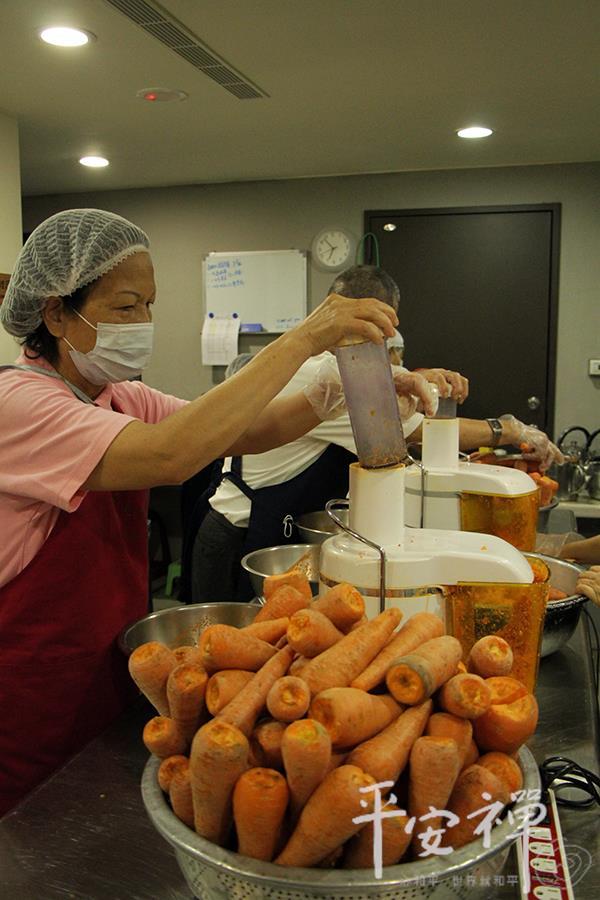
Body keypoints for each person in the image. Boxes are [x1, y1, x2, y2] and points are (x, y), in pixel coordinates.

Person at [0, 209, 404, 814]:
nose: (143, 323)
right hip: (34, 682)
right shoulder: (18, 403)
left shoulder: (119, 396)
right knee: (34, 834)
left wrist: (334, 391)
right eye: (125, 306)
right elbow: (172, 453)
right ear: (56, 313)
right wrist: (303, 339)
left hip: (109, 663)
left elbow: (246, 430)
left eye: (148, 306)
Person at [191, 264, 563, 604]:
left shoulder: (331, 366)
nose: (387, 338)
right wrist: (509, 429)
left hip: (263, 530)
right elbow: (419, 432)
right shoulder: (327, 375)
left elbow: (400, 400)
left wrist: (417, 380)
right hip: (241, 539)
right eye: (387, 327)